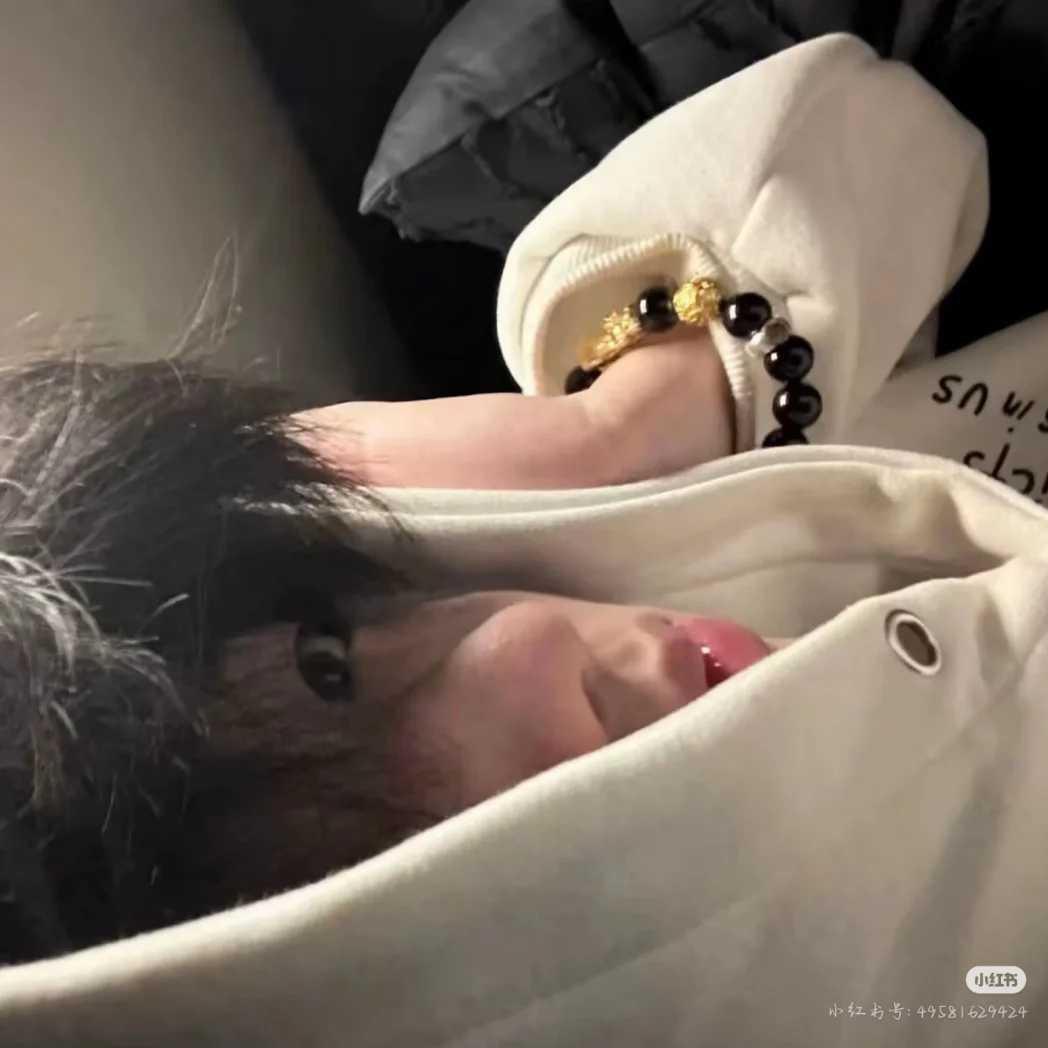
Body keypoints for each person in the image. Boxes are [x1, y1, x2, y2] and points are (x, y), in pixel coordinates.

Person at [2, 33, 1048, 1047]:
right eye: (393, 861)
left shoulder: (664, 536)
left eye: (324, 659)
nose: (532, 649)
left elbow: (879, 120)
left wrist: (620, 426)